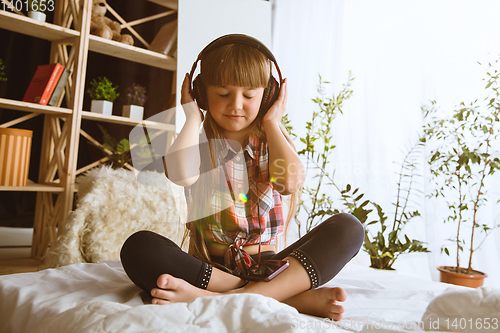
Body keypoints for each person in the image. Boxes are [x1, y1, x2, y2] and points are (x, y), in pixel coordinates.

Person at [120, 34, 364, 321]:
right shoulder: (195, 144)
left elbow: (290, 183)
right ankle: (285, 298)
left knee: (349, 228)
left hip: (272, 265)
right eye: (223, 94)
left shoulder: (272, 143)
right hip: (210, 268)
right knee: (138, 248)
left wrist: (272, 122)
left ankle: (220, 298)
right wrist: (192, 116)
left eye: (249, 95)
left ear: (269, 94)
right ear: (200, 92)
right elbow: (182, 175)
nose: (236, 104)